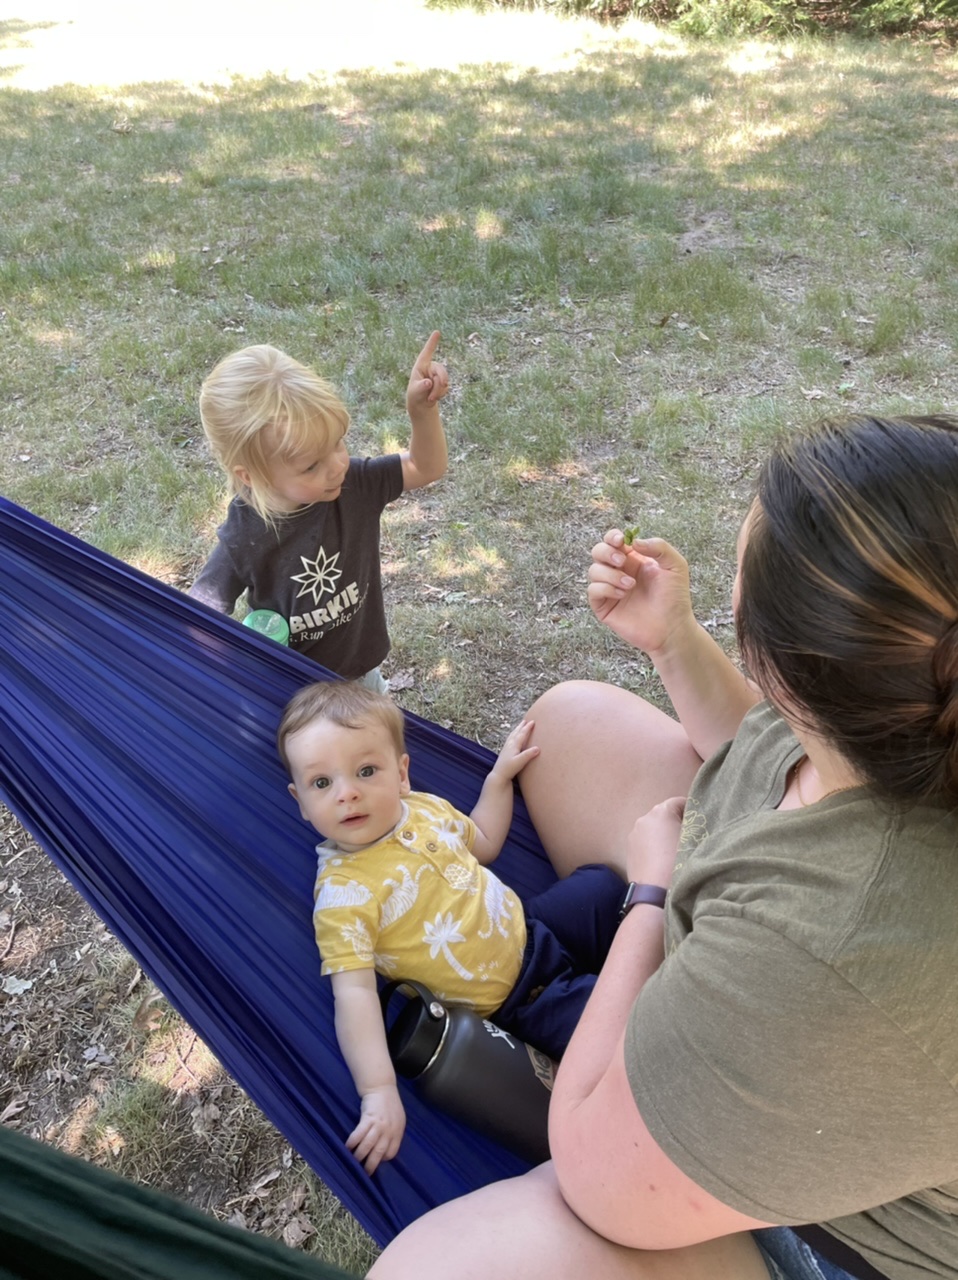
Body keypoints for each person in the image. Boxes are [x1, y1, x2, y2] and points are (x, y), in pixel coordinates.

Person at [368, 414, 958, 1280]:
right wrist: (674, 638)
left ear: (791, 669)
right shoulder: (902, 731)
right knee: (568, 724)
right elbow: (769, 743)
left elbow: (594, 1171)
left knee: (440, 1271)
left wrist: (648, 899)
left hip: (842, 1225)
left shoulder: (834, 939)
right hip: (809, 977)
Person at [277, 680, 626, 1175]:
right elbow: (353, 996)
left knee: (603, 887)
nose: (347, 792)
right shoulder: (343, 897)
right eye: (321, 783)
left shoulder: (423, 808)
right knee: (625, 1027)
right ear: (299, 801)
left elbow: (482, 843)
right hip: (518, 1002)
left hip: (532, 928)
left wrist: (499, 779)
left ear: (401, 774)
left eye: (366, 770)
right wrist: (377, 1091)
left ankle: (651, 943)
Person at [189, 334, 449, 691]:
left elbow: (426, 466)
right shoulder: (244, 534)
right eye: (311, 466)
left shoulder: (357, 485)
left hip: (358, 675)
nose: (337, 465)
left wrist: (422, 412)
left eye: (338, 443)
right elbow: (199, 615)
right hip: (289, 692)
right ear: (251, 476)